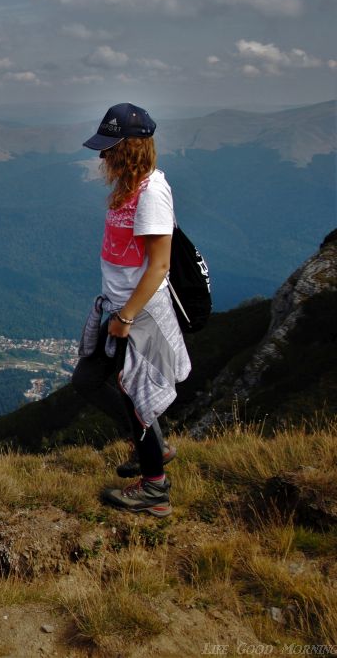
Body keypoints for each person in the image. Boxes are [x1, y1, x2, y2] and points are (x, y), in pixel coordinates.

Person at [73, 102, 191, 517]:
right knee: (88, 379)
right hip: (118, 307)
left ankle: (154, 489)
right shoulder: (130, 187)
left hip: (137, 315)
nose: (102, 157)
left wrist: (126, 318)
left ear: (130, 148)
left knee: (133, 394)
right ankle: (152, 447)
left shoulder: (153, 192)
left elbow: (159, 264)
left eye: (109, 148)